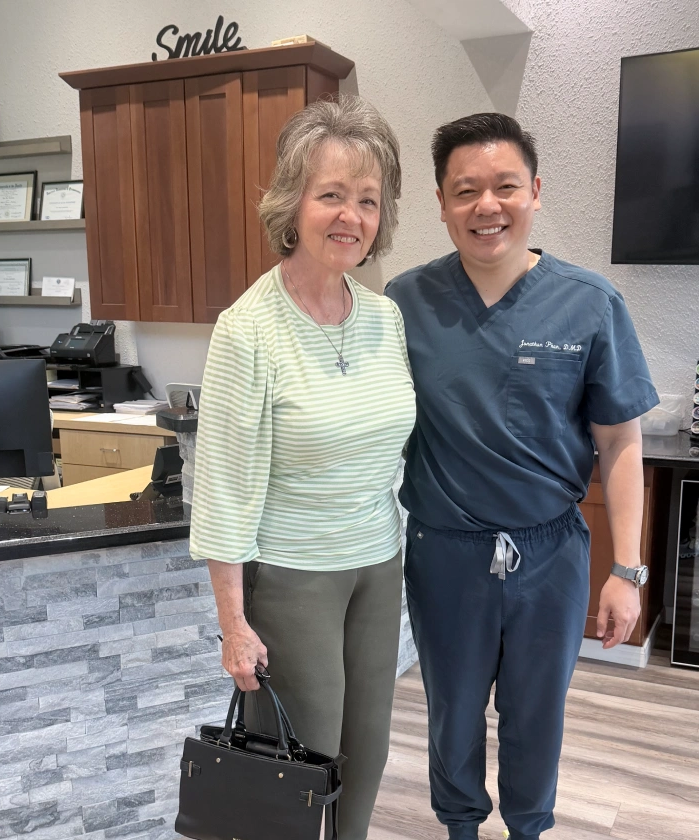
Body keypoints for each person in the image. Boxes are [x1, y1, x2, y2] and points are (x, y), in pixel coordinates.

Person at [385, 113, 659, 840]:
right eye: (465, 190)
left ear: (534, 192)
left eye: (505, 186)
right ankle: (461, 829)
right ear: (442, 203)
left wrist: (626, 571)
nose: (487, 206)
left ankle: (530, 829)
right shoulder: (401, 305)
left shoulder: (589, 302)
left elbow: (621, 443)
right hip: (445, 551)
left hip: (551, 554)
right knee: (452, 709)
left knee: (538, 710)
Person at [189, 96, 416, 840]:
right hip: (293, 578)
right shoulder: (248, 329)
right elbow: (222, 486)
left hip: (377, 568)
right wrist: (233, 623)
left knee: (369, 754)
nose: (350, 216)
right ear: (293, 203)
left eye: (367, 200)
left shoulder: (384, 317)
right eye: (331, 195)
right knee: (299, 765)